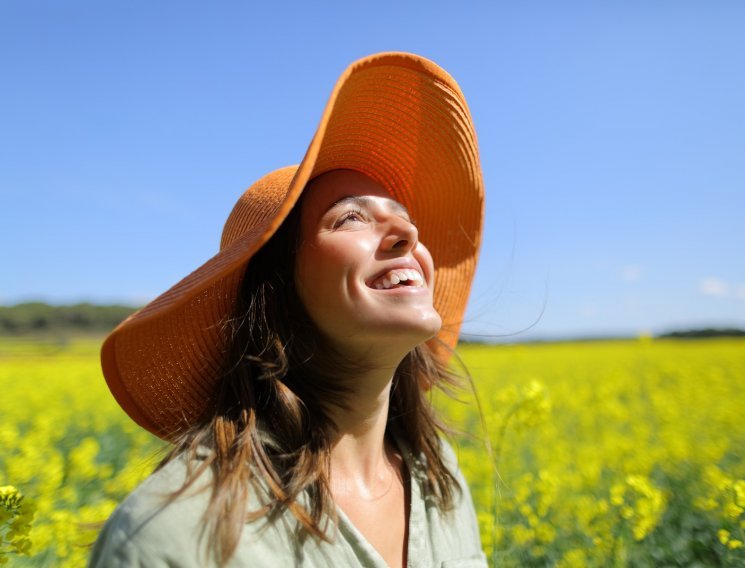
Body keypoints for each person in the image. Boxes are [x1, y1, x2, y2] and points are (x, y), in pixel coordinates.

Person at [90, 51, 486, 567]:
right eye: (349, 219)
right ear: (275, 291)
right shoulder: (174, 534)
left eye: (405, 218)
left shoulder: (441, 479)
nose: (409, 234)